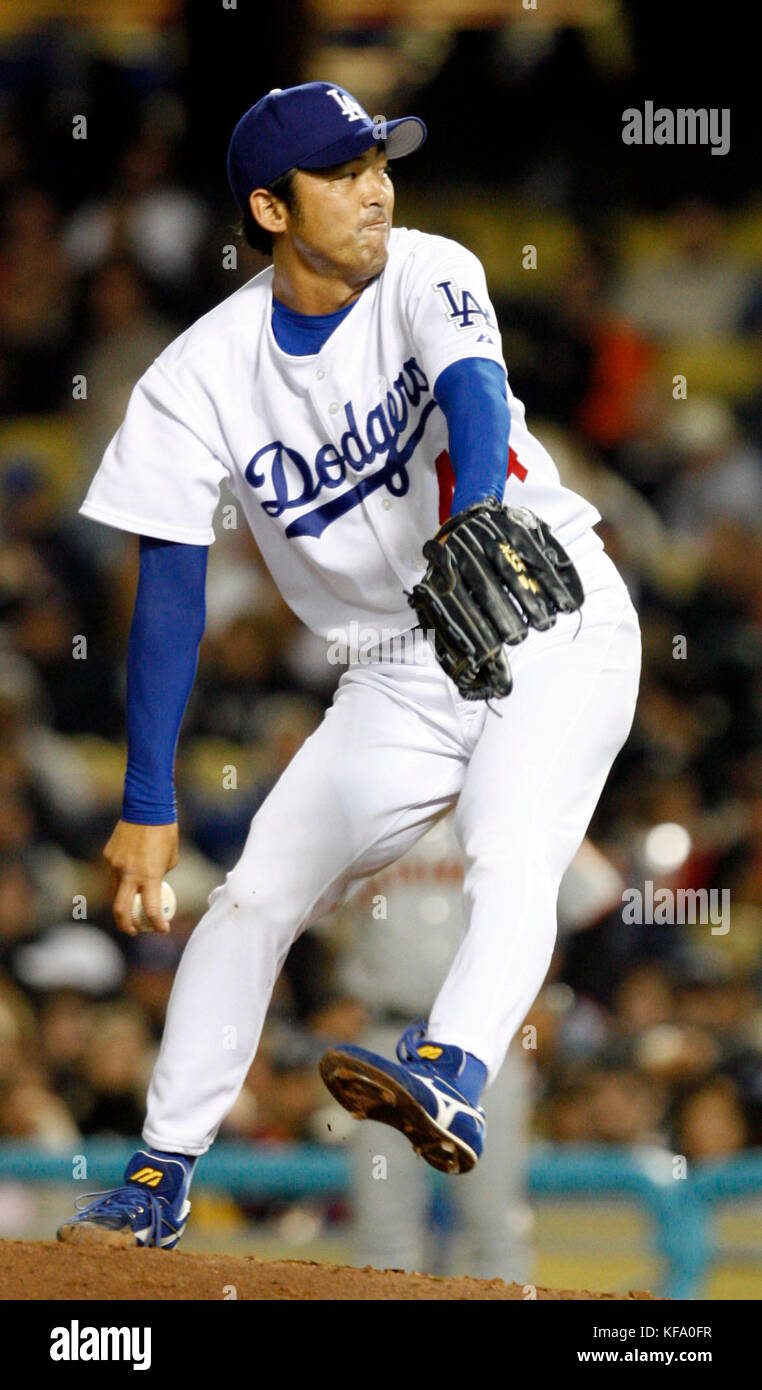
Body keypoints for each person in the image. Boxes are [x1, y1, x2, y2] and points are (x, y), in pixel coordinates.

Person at [58, 82, 640, 1249]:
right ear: (270, 208)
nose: (376, 185)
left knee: (511, 847)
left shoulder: (428, 268)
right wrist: (147, 800)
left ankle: (455, 1067)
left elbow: (475, 388)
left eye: (380, 160)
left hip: (543, 606)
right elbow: (169, 589)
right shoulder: (195, 378)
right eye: (342, 171)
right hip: (395, 666)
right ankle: (161, 1174)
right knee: (257, 891)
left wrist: (474, 510)